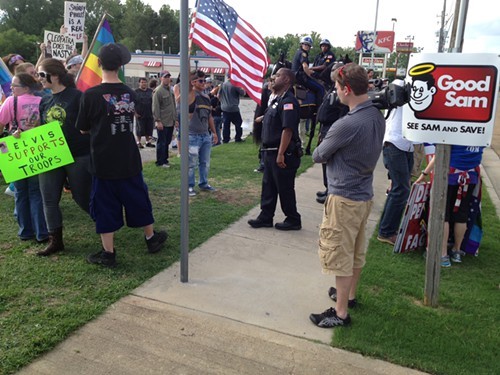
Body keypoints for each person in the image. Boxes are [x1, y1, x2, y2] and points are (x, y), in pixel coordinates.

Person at [76, 42, 167, 268]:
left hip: (103, 160)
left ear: (98, 64)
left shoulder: (90, 95)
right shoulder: (129, 92)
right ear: (121, 66)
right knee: (138, 198)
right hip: (128, 158)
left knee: (104, 204)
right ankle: (150, 238)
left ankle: (109, 253)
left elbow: (82, 128)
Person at [310, 63, 385, 328]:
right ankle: (349, 296)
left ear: (347, 89)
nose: (335, 91)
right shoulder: (376, 116)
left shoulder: (347, 124)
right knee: (354, 252)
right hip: (363, 196)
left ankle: (340, 312)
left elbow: (318, 155)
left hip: (344, 198)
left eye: (338, 87)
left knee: (340, 256)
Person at [37, 58, 92, 256]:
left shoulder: (77, 97)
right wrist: (20, 134)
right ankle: (55, 240)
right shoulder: (44, 100)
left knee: (82, 196)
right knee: (49, 199)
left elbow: (89, 123)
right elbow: (40, 130)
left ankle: (105, 223)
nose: (39, 79)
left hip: (78, 155)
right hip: (52, 157)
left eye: (42, 75)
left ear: (56, 75)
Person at [247, 68, 302, 231]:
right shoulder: (277, 100)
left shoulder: (289, 102)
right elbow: (275, 117)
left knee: (284, 188)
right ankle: (265, 216)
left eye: (277, 76)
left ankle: (293, 219)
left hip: (283, 152)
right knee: (268, 186)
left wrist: (280, 154)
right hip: (269, 151)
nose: (273, 78)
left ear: (286, 80)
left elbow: (288, 129)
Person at [416, 145, 484, 267]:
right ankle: (457, 251)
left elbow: (439, 153)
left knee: (443, 214)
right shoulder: (482, 130)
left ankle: (442, 254)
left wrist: (424, 173)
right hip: (471, 175)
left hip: (450, 174)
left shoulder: (454, 128)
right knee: (462, 214)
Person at [0, 73, 48, 243]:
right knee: (36, 192)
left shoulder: (10, 102)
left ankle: (25, 232)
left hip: (15, 150)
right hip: (37, 149)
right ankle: (41, 232)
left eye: (14, 86)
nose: (11, 88)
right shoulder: (42, 102)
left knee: (20, 192)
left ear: (26, 87)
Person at [377, 79, 414, 246]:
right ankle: (386, 231)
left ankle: (387, 227)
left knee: (399, 188)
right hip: (395, 143)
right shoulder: (401, 83)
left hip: (407, 145)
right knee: (401, 189)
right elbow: (393, 90)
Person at [314, 62, 349, 205]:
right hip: (324, 128)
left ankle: (331, 191)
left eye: (335, 70)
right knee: (324, 163)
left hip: (331, 128)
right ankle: (327, 187)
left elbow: (342, 114)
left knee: (330, 162)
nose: (331, 72)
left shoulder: (341, 92)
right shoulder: (331, 89)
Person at [187, 69, 218, 196]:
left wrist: (214, 132)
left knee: (204, 162)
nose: (203, 82)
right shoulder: (190, 95)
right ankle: (189, 186)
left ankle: (204, 183)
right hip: (192, 135)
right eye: (200, 80)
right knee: (191, 163)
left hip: (205, 134)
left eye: (204, 80)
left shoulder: (206, 97)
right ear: (193, 82)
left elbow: (210, 116)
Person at [291, 36, 325, 110]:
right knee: (321, 88)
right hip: (300, 77)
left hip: (295, 76)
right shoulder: (303, 54)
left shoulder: (298, 52)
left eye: (308, 45)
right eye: (305, 44)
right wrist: (309, 75)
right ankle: (319, 110)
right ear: (301, 44)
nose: (307, 46)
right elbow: (305, 67)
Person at [152, 70, 178, 168]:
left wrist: (175, 120)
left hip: (170, 121)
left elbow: (173, 106)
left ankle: (165, 160)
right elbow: (155, 107)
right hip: (162, 121)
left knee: (167, 142)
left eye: (168, 77)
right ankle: (160, 162)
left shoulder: (170, 90)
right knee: (161, 142)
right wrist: (158, 121)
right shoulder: (158, 91)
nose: (167, 79)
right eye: (165, 77)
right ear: (161, 78)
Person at [218, 78, 245, 143]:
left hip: (224, 108)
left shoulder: (223, 84)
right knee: (239, 123)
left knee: (226, 124)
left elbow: (218, 95)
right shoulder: (235, 85)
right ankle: (238, 138)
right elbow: (243, 93)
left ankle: (226, 139)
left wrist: (222, 102)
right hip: (234, 108)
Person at [134, 77, 155, 148]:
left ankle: (148, 142)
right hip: (140, 114)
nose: (144, 84)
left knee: (149, 128)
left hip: (149, 113)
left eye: (145, 82)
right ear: (139, 83)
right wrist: (135, 113)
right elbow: (132, 103)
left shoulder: (151, 91)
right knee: (139, 129)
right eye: (142, 82)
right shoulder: (135, 92)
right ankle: (138, 142)